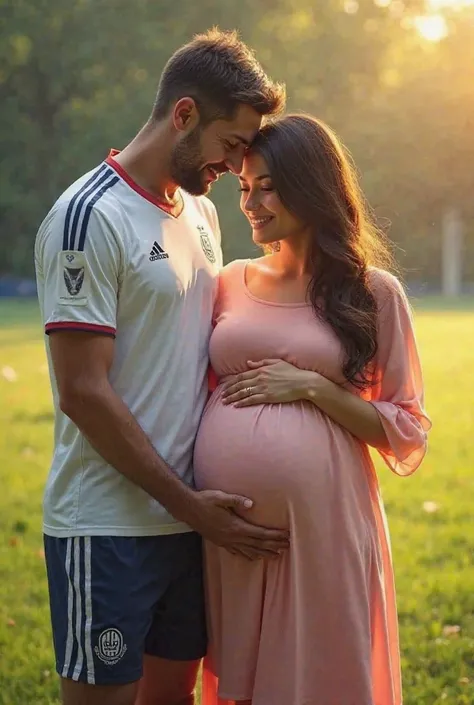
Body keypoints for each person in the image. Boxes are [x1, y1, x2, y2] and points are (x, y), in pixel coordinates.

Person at [34, 29, 288, 705]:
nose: (237, 167)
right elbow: (83, 393)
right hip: (109, 527)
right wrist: (192, 507)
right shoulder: (89, 217)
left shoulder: (202, 213)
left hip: (186, 528)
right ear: (183, 115)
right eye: (230, 145)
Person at [194, 114, 431, 705]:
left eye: (267, 185)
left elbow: (405, 427)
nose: (251, 202)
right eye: (244, 187)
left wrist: (312, 387)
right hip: (233, 531)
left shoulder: (372, 292)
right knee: (242, 677)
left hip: (324, 524)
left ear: (311, 185)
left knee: (321, 675)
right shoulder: (227, 280)